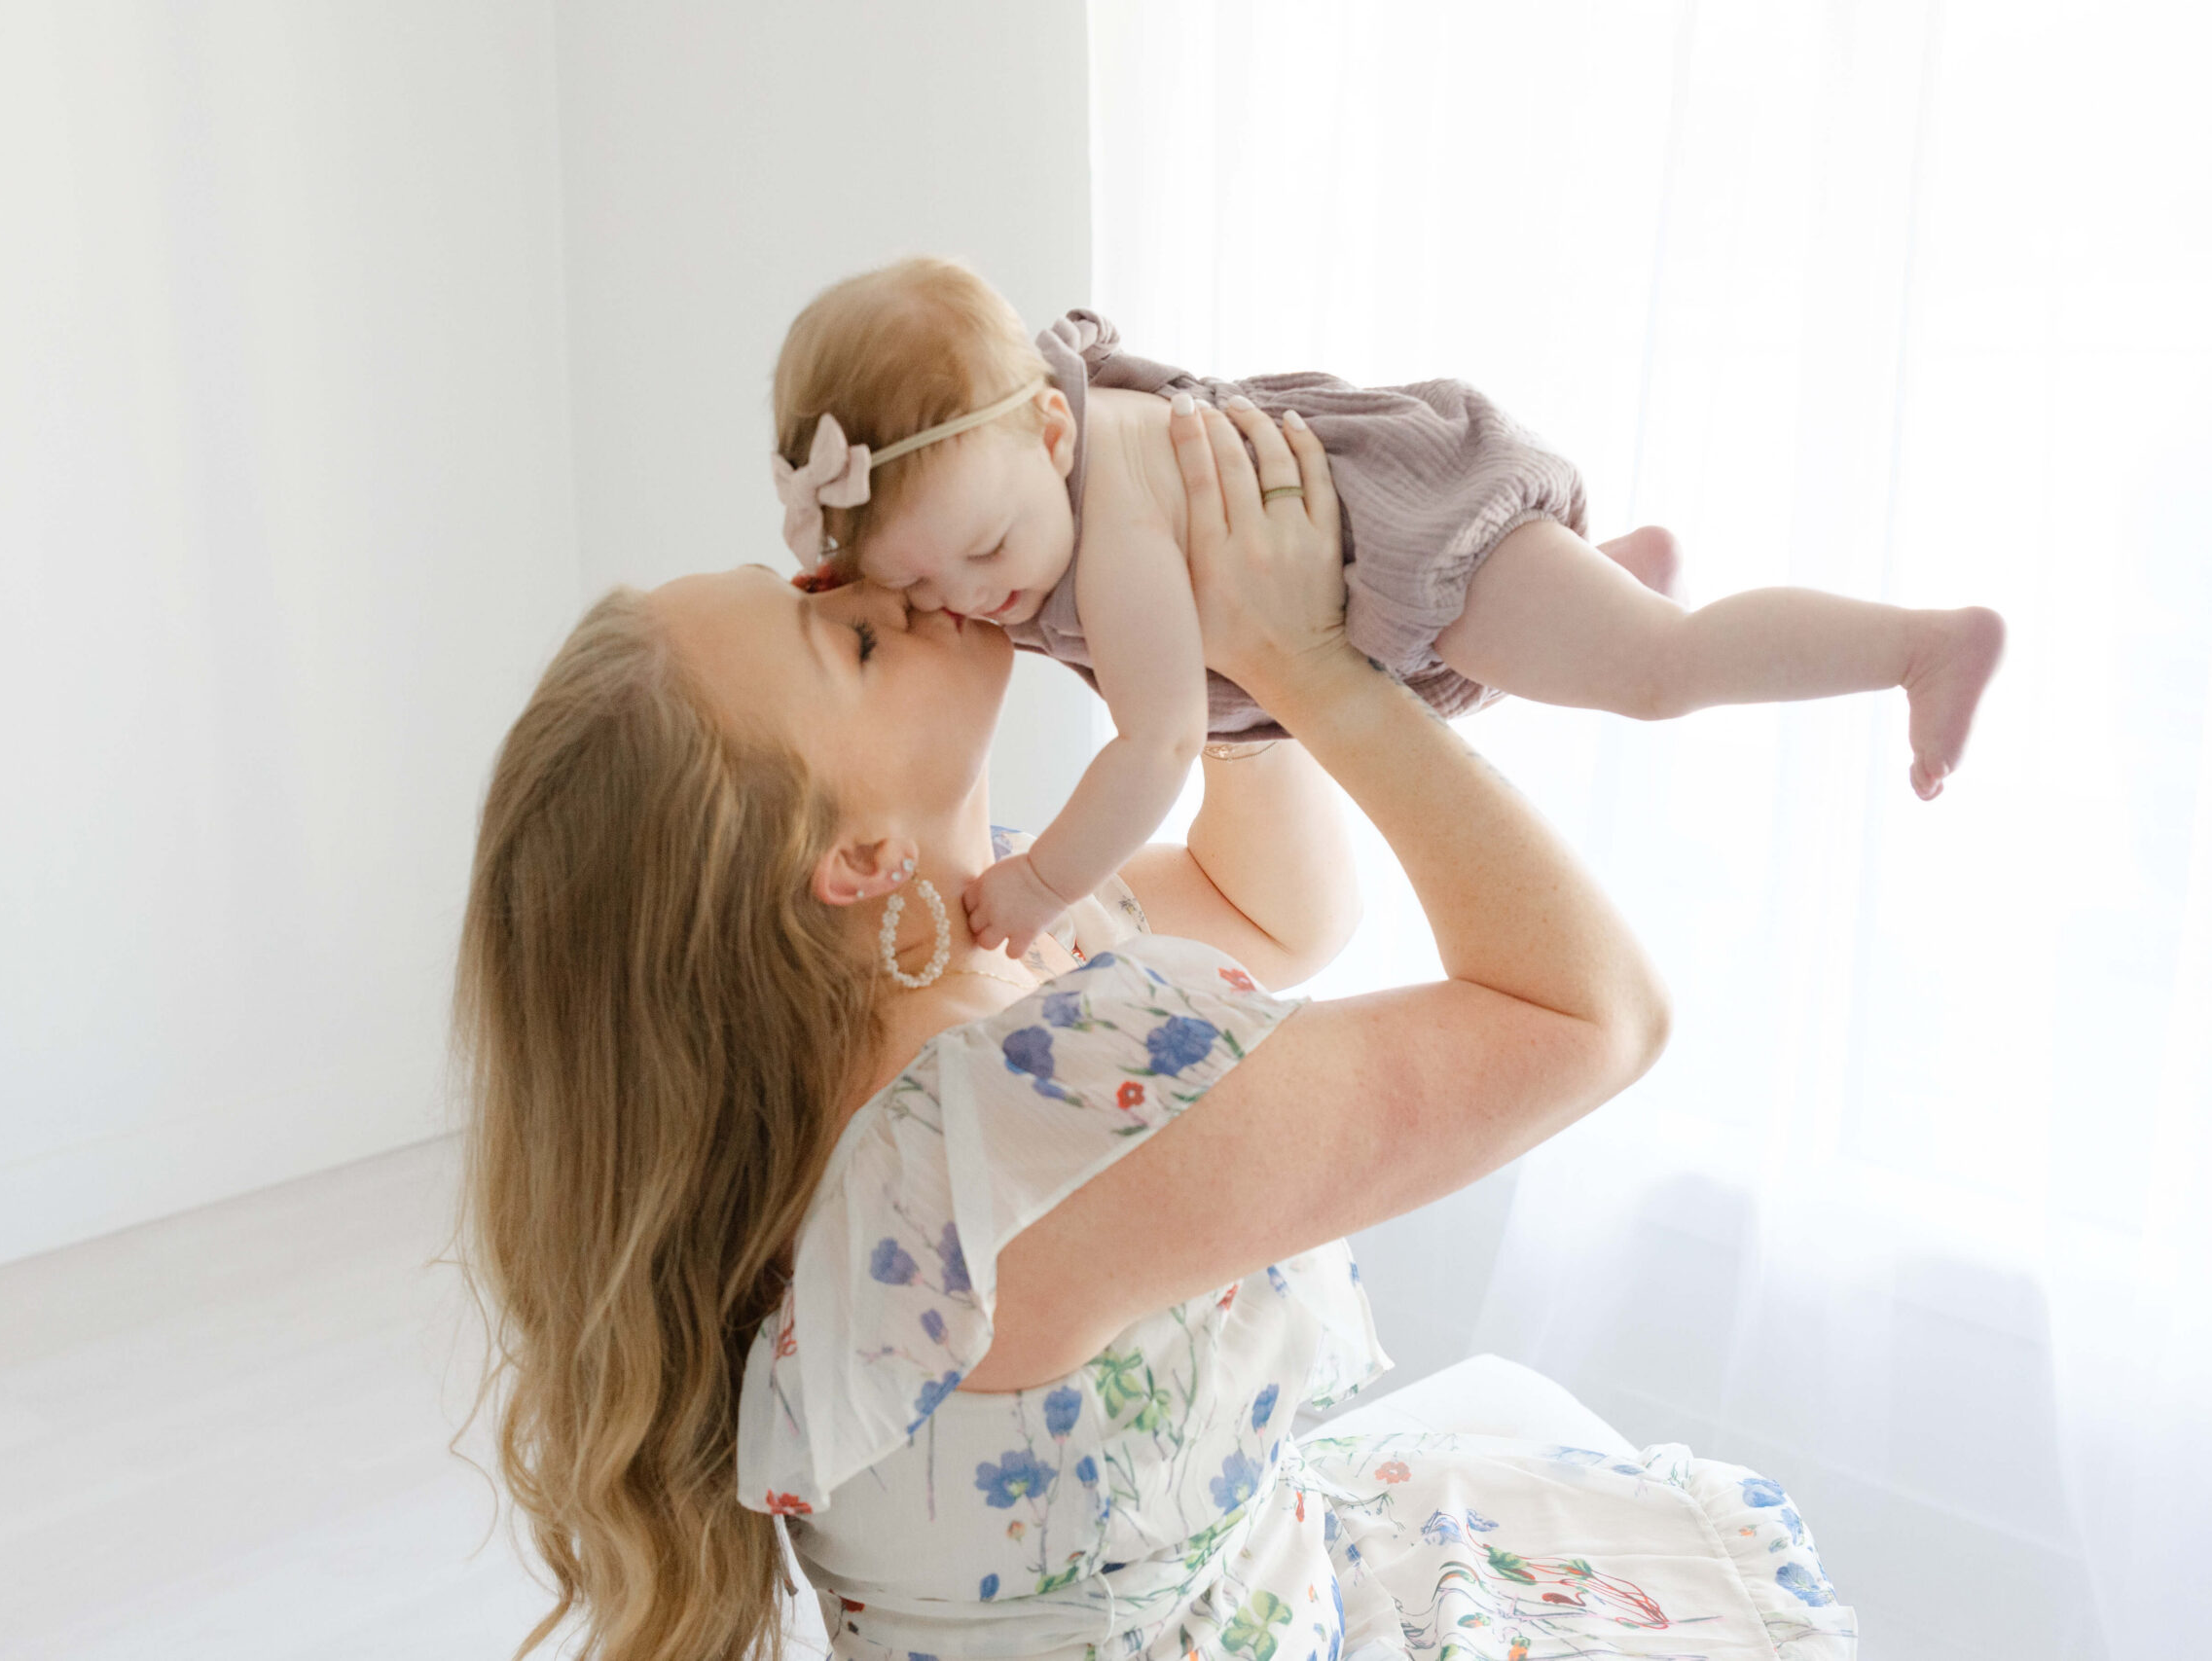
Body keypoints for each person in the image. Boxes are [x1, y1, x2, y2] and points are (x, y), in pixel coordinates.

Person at [457, 399, 1857, 1660]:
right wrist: (1314, 664)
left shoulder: (953, 946)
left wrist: (1201, 669)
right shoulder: (1022, 1145)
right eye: (856, 635)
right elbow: (1595, 1014)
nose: (879, 575)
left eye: (819, 577)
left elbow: (1278, 904)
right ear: (856, 857)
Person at [770, 256, 2006, 957]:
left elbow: (1154, 746)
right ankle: (1611, 570)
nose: (974, 601)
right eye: (915, 590)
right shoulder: (1002, 493)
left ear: (1053, 429)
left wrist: (1044, 882)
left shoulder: (1116, 534)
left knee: (1658, 675)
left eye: (981, 553)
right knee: (1557, 641)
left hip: (1414, 546)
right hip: (1386, 578)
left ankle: (1915, 649)